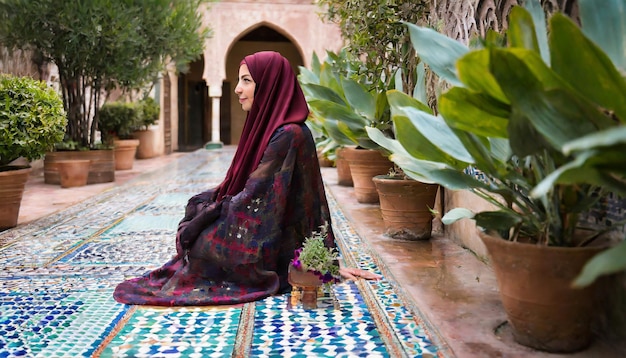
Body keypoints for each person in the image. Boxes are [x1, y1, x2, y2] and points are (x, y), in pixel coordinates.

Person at [113, 51, 379, 306]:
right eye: (240, 80)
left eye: (246, 81)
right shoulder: (273, 128)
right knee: (198, 219)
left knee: (201, 245)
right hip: (268, 233)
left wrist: (323, 263)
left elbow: (265, 199)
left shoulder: (289, 134)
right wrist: (208, 205)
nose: (238, 89)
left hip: (266, 243)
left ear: (270, 86)